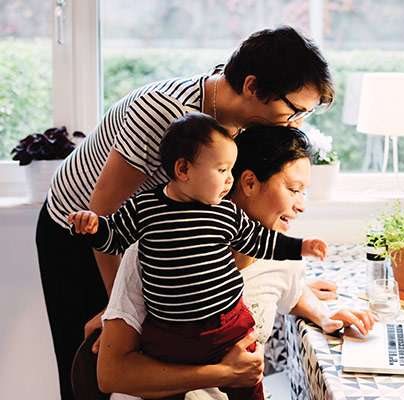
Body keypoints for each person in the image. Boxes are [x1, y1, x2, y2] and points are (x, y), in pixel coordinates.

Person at [35, 26, 334, 400]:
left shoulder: (238, 117)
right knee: (90, 364)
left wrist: (292, 284)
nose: (296, 122)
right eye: (294, 110)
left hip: (137, 229)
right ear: (253, 87)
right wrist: (119, 313)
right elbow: (104, 210)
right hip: (82, 229)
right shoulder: (164, 113)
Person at [97, 126, 375, 399]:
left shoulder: (281, 256)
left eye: (304, 192)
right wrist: (223, 373)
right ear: (250, 182)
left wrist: (325, 317)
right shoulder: (158, 247)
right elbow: (111, 375)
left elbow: (292, 290)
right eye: (293, 189)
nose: (301, 205)